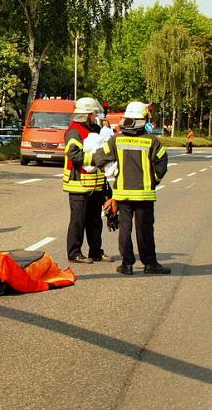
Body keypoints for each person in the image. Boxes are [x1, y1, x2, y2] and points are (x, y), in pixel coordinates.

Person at [89, 101, 170, 275]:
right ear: (143, 120)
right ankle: (150, 263)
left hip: (123, 193)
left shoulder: (116, 139)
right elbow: (162, 162)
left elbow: (98, 157)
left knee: (125, 228)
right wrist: (154, 180)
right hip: (144, 194)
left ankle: (127, 264)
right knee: (145, 229)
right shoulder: (152, 141)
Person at [62, 96, 111, 264]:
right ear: (87, 114)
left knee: (95, 221)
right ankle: (74, 252)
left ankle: (96, 252)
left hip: (96, 184)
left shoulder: (95, 129)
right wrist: (96, 158)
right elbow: (73, 154)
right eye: (94, 113)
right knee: (78, 221)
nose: (96, 115)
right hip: (79, 184)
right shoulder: (74, 131)